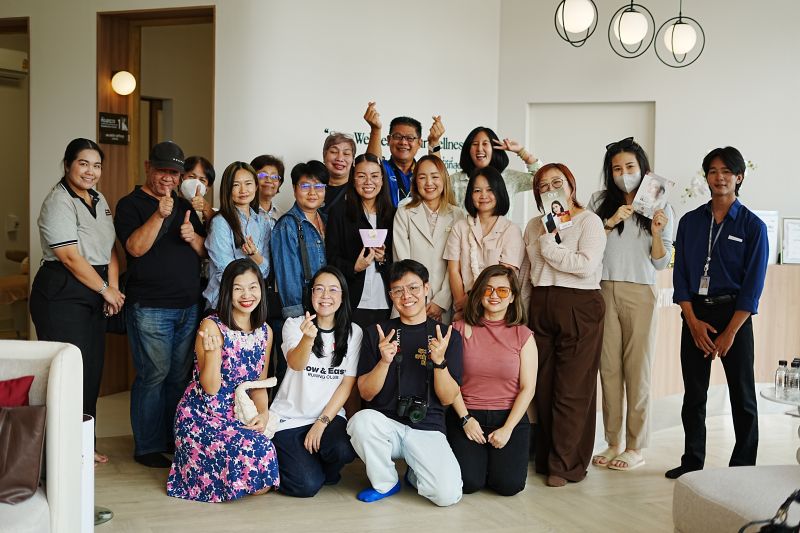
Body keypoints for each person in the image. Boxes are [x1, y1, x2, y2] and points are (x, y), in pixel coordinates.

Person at [665, 146, 768, 479]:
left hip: (734, 316)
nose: (719, 177)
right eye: (713, 171)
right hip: (696, 314)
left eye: (726, 171)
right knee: (694, 395)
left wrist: (730, 333)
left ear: (739, 177)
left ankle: (742, 469)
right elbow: (680, 276)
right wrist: (692, 322)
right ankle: (692, 462)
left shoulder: (753, 227)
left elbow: (752, 287)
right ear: (706, 177)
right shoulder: (690, 222)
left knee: (743, 396)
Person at [30, 138, 126, 465]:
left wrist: (113, 287)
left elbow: (110, 247)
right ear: (68, 164)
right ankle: (59, 451)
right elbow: (70, 257)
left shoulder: (98, 198)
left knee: (90, 371)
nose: (90, 171)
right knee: (67, 373)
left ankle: (84, 444)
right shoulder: (58, 201)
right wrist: (105, 290)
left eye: (96, 165)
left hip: (94, 289)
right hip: (61, 293)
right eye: (83, 163)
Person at [115, 140, 207, 468]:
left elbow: (205, 251)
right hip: (150, 307)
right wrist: (159, 214)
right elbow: (135, 248)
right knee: (153, 374)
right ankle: (147, 446)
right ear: (148, 167)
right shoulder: (130, 204)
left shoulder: (185, 205)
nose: (168, 177)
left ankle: (172, 437)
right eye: (162, 170)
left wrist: (194, 236)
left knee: (178, 376)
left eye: (175, 173)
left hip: (188, 305)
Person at [347, 259, 463, 506]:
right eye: (398, 290)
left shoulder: (447, 336)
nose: (406, 296)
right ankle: (386, 482)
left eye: (413, 288)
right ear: (390, 296)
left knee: (447, 495)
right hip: (386, 425)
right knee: (360, 422)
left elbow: (447, 398)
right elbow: (366, 393)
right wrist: (384, 361)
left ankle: (414, 473)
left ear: (426, 288)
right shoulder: (377, 333)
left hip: (427, 427)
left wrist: (439, 362)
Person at [587, 138, 674, 471]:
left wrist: (656, 232)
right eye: (617, 169)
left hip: (641, 291)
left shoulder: (661, 205)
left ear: (643, 169)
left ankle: (636, 446)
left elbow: (660, 263)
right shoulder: (599, 202)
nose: (624, 174)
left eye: (630, 167)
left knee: (639, 371)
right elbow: (589, 246)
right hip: (603, 288)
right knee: (608, 369)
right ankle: (612, 442)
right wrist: (610, 221)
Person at [519, 163, 606, 487]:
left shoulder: (588, 221)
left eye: (557, 182)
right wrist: (523, 313)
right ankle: (547, 457)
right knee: (543, 387)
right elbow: (527, 274)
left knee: (572, 389)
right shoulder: (533, 225)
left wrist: (549, 244)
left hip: (579, 305)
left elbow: (584, 266)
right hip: (541, 305)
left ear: (571, 186)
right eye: (543, 186)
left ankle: (567, 464)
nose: (550, 189)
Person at [167, 258, 280, 501]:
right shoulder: (211, 325)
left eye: (253, 287)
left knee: (263, 466)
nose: (246, 295)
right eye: (238, 288)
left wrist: (263, 414)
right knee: (246, 458)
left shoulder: (265, 332)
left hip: (238, 414)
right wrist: (213, 355)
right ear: (227, 292)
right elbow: (210, 388)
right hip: (202, 415)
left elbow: (258, 384)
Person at [446, 265, 537, 496]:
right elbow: (450, 382)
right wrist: (466, 419)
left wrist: (507, 429)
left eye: (502, 290)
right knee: (468, 483)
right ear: (478, 293)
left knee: (509, 486)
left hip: (508, 417)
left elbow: (528, 388)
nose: (494, 295)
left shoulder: (523, 335)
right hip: (467, 415)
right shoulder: (458, 330)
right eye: (487, 289)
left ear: (512, 296)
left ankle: (490, 465)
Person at [271, 266, 361, 497]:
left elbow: (346, 385)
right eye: (319, 289)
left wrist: (321, 423)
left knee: (343, 450)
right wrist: (308, 338)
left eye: (333, 290)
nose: (325, 296)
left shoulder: (353, 333)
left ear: (343, 296)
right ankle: (287, 463)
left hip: (327, 417)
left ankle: (313, 464)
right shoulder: (294, 324)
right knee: (307, 485)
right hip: (289, 418)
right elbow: (296, 363)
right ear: (311, 294)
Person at [270, 160, 329, 385]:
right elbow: (287, 277)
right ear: (294, 189)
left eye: (318, 186)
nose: (312, 192)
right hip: (301, 314)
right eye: (305, 186)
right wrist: (296, 322)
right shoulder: (287, 225)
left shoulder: (326, 220)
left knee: (316, 375)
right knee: (292, 376)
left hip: (323, 310)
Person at [444, 166, 524, 321]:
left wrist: (474, 301)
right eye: (477, 190)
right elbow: (453, 270)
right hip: (464, 310)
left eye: (490, 190)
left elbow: (506, 275)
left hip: (498, 310)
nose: (483, 195)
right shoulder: (460, 227)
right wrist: (462, 304)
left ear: (499, 192)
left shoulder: (511, 230)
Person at [326, 153, 395, 330]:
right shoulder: (339, 213)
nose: (368, 182)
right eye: (361, 176)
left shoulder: (393, 215)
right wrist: (354, 267)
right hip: (352, 299)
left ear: (382, 179)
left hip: (386, 300)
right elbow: (331, 258)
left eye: (374, 176)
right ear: (353, 179)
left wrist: (383, 258)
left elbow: (400, 258)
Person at [393, 155, 464, 324]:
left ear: (444, 179)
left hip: (445, 304)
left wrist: (441, 302)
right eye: (422, 177)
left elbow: (457, 265)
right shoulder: (404, 213)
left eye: (434, 176)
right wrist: (418, 299)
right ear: (415, 182)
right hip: (409, 301)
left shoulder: (458, 215)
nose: (429, 183)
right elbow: (402, 262)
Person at [203, 161, 271, 310]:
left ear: (256, 186)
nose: (243, 190)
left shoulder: (262, 222)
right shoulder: (220, 222)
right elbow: (225, 272)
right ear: (227, 189)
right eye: (236, 185)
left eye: (248, 183)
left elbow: (266, 271)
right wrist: (250, 286)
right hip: (224, 303)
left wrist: (254, 254)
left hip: (251, 304)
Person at [363, 101, 445, 207]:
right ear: (388, 140)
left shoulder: (422, 172)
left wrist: (434, 141)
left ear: (420, 143)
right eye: (398, 136)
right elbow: (370, 168)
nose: (403, 142)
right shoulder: (383, 168)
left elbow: (437, 177)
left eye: (410, 138)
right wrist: (375, 129)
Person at [449, 126, 541, 210]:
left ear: (494, 148)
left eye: (485, 143)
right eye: (475, 144)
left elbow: (542, 180)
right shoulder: (454, 181)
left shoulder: (509, 177)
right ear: (468, 149)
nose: (479, 149)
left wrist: (522, 152)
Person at [319, 132, 355, 216]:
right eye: (334, 152)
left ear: (353, 160)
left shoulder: (358, 190)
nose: (340, 158)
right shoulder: (313, 187)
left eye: (346, 153)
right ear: (324, 155)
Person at [251, 154, 285, 228]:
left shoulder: (283, 217)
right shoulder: (244, 213)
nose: (269, 180)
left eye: (274, 177)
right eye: (262, 175)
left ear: (279, 183)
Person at [180, 155, 216, 222]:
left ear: (207, 188)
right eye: (191, 176)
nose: (196, 182)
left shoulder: (214, 214)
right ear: (181, 179)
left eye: (202, 180)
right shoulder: (167, 206)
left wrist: (206, 208)